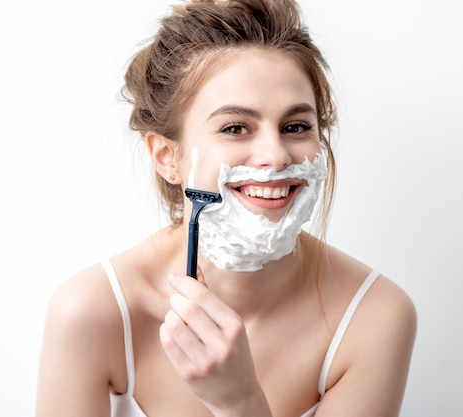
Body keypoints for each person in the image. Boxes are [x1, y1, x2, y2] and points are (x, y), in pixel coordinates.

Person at [35, 0, 417, 416]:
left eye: (296, 126)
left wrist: (239, 402)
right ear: (166, 156)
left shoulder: (376, 317)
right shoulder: (92, 312)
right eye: (235, 127)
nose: (274, 155)